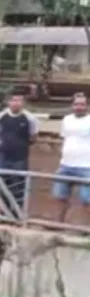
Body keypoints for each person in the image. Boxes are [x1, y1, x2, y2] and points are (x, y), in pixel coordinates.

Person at [0, 92, 38, 218]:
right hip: (3, 156)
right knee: (3, 185)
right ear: (8, 102)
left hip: (20, 158)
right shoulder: (1, 116)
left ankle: (17, 213)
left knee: (19, 186)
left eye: (19, 100)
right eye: (13, 100)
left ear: (23, 103)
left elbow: (33, 137)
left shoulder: (30, 118)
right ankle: (4, 212)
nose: (16, 103)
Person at [52, 92, 90, 222]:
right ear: (72, 105)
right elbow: (63, 138)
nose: (79, 107)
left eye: (82, 104)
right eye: (76, 104)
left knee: (87, 200)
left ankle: (85, 227)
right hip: (66, 164)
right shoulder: (67, 119)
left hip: (86, 166)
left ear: (87, 105)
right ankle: (58, 223)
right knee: (60, 196)